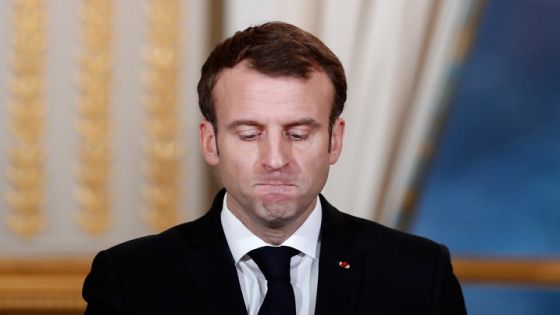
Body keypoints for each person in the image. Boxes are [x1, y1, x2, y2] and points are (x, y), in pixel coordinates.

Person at [83, 21, 466, 315]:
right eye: (249, 134)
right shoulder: (131, 280)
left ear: (335, 140)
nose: (276, 159)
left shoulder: (419, 275)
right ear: (210, 142)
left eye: (298, 134)